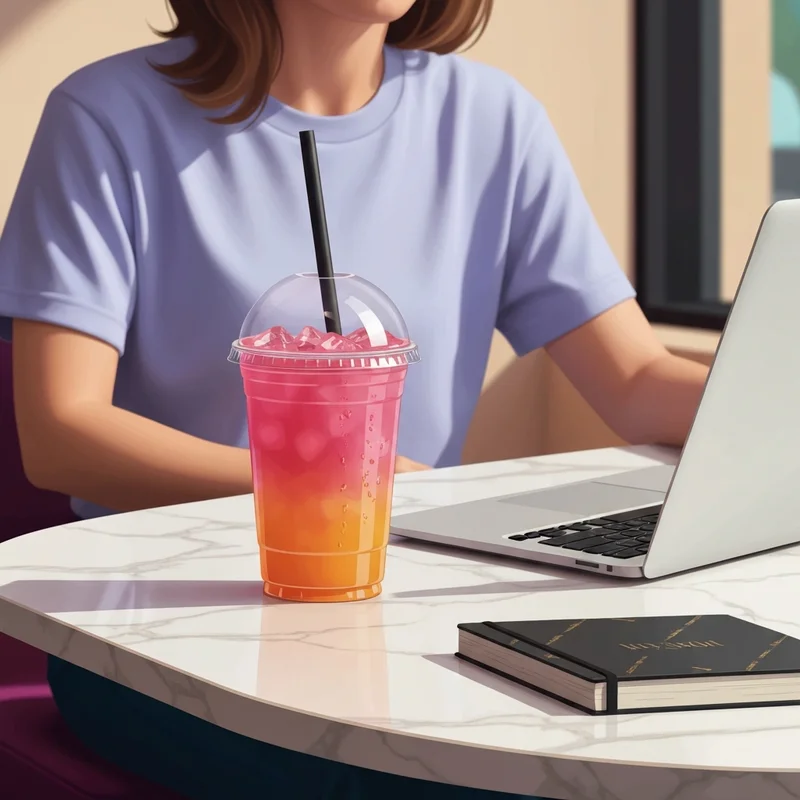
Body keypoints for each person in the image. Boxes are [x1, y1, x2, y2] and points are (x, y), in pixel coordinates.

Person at [0, 0, 709, 797]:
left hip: (396, 621)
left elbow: (637, 380)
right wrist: (354, 485)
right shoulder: (105, 116)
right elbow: (62, 432)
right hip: (149, 635)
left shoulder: (491, 120)